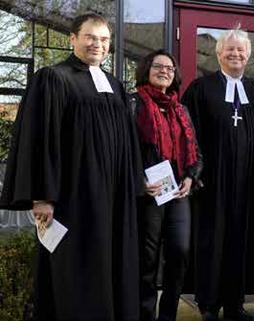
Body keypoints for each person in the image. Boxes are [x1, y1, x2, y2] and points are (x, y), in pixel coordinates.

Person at [0, 13, 142, 320]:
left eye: (104, 40)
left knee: (113, 263)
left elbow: (127, 143)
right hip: (75, 196)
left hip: (114, 198)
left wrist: (135, 185)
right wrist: (42, 195)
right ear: (73, 39)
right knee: (77, 268)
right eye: (90, 37)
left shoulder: (115, 86)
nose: (98, 44)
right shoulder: (53, 78)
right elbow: (39, 139)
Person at [180, 26, 254, 321]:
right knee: (211, 242)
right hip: (212, 184)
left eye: (241, 50)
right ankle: (208, 304)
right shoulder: (200, 89)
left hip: (247, 185)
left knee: (240, 242)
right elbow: (188, 136)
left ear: (248, 55)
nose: (235, 54)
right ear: (219, 54)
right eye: (230, 49)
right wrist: (193, 173)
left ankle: (235, 304)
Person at [132, 49, 202, 321]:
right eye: (158, 66)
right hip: (147, 193)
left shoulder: (181, 109)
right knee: (147, 259)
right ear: (147, 70)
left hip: (177, 192)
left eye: (170, 68)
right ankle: (145, 313)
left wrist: (190, 177)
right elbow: (125, 149)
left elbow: (196, 152)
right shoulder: (134, 104)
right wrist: (139, 178)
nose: (164, 71)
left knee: (179, 251)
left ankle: (168, 314)